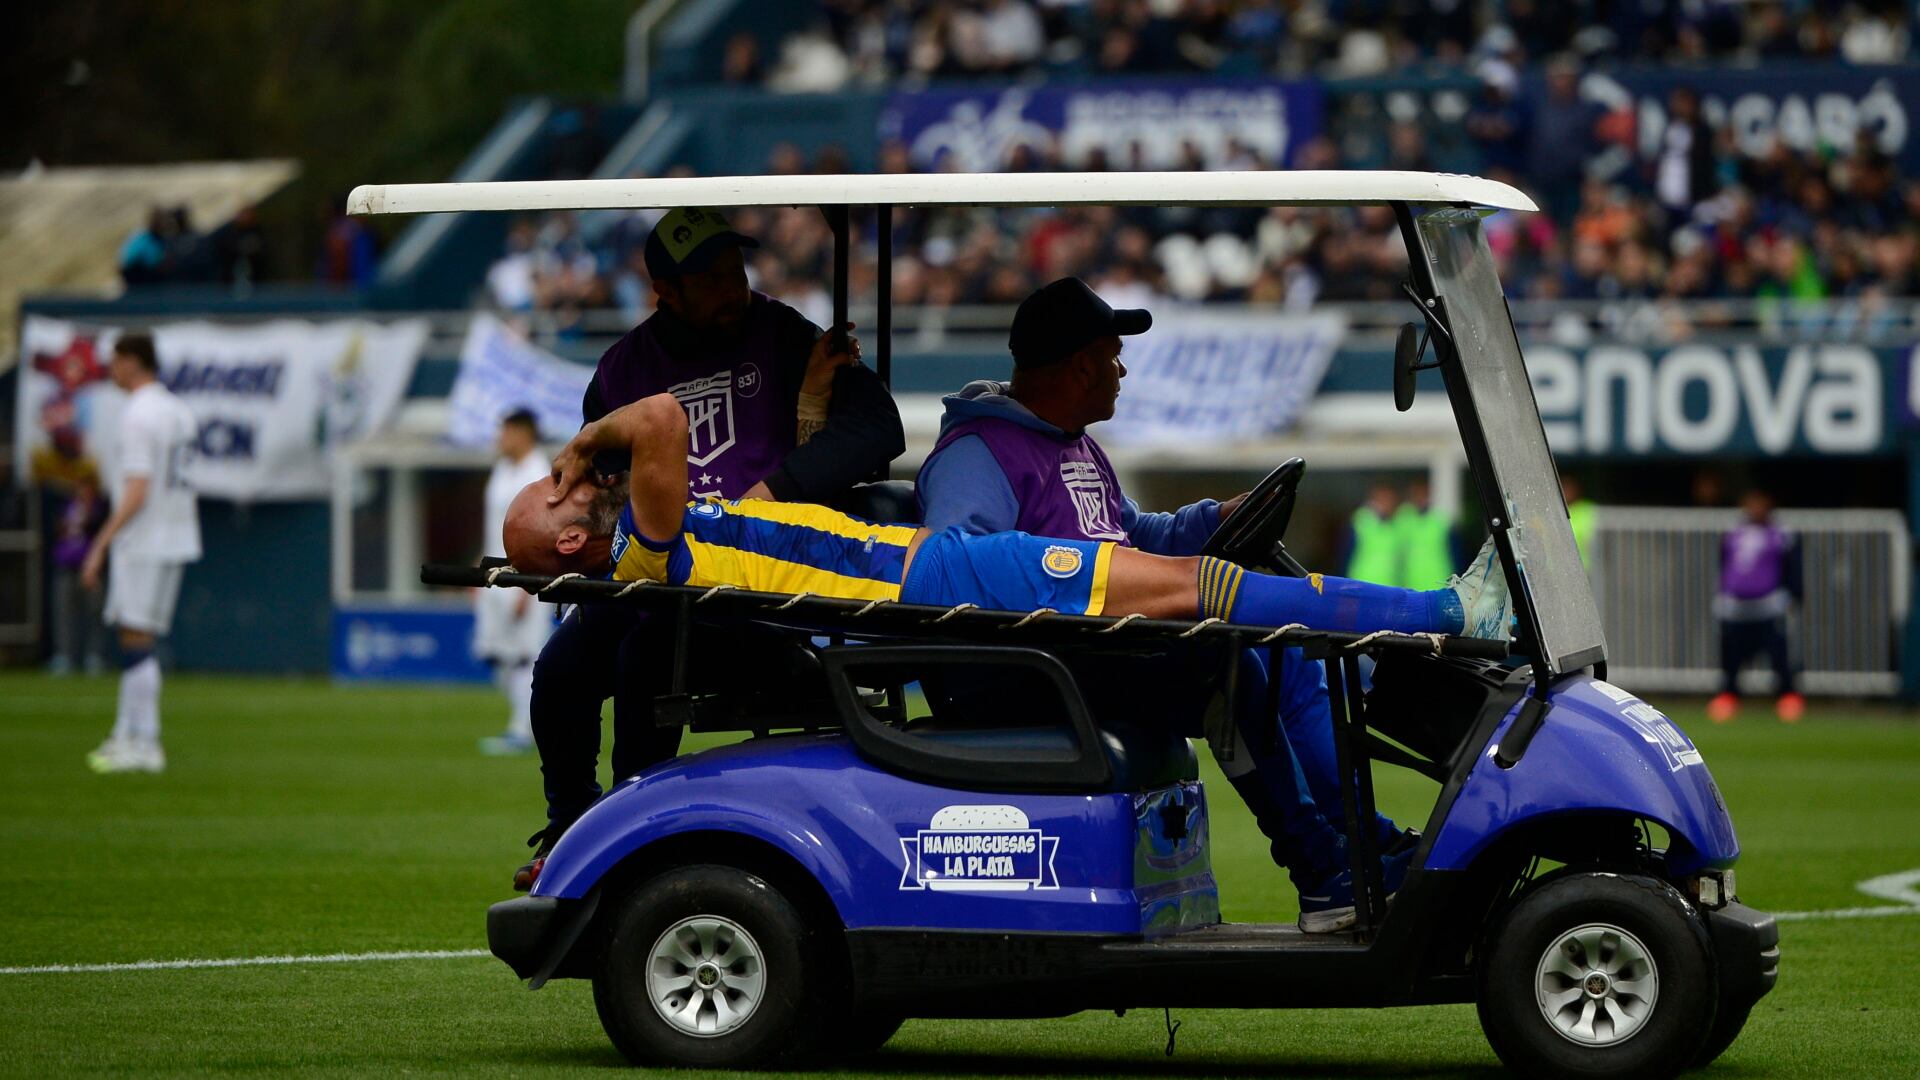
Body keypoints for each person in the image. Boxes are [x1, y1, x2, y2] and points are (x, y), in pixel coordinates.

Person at [506, 393, 1514, 929]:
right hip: (945, 583)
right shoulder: (645, 544)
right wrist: (588, 441)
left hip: (934, 576)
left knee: (1195, 587)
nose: (564, 482)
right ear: (564, 546)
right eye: (551, 497)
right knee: (1193, 591)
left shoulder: (648, 539)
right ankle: (1442, 611)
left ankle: (1347, 834)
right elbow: (661, 420)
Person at [913, 276, 1410, 905]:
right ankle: (1319, 871)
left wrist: (1213, 520)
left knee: (1284, 653)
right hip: (1030, 673)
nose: (1122, 370)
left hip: (1093, 653)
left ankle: (1362, 842)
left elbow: (1131, 535)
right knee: (1224, 662)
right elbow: (952, 570)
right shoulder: (977, 455)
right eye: (1114, 356)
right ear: (1080, 366)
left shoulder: (1077, 445)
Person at [518, 205, 904, 888]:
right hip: (656, 574)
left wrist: (774, 490)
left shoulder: (781, 333)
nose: (735, 289)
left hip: (757, 586)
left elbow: (878, 427)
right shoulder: (622, 368)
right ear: (665, 291)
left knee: (646, 655)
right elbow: (599, 477)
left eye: (736, 271)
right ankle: (572, 827)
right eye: (712, 279)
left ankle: (630, 842)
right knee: (560, 671)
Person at [81, 333, 201, 774]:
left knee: (136, 639)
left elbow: (137, 489)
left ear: (133, 361)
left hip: (145, 537)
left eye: (115, 361)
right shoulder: (178, 410)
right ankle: (127, 734)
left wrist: (100, 543)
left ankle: (143, 742)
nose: (111, 370)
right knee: (140, 637)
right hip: (178, 533)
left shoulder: (138, 416)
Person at [475, 409, 555, 755]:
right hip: (494, 577)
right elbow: (494, 526)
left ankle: (523, 729)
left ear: (523, 433)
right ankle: (526, 722)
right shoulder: (501, 470)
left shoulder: (539, 474)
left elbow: (544, 532)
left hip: (525, 577)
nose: (499, 438)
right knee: (498, 655)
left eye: (505, 431)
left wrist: (528, 584)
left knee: (526, 655)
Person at [1708, 491, 1803, 724]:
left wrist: (1793, 596)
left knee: (1777, 653)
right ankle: (1729, 696)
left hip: (1768, 605)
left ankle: (1787, 697)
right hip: (1737, 607)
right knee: (1732, 654)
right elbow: (1725, 563)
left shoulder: (1782, 533)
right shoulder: (1733, 531)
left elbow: (1792, 567)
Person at [1394, 478, 1457, 590]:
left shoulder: (1440, 519)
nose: (1419, 498)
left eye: (1422, 494)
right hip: (1411, 582)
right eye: (1416, 494)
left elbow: (1455, 552)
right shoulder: (1403, 518)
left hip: (1438, 580)